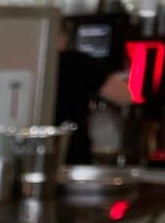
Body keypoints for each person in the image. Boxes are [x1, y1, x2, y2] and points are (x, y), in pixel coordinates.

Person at [55, 29, 133, 164]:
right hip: (72, 152)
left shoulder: (25, 63)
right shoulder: (78, 62)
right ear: (63, 37)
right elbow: (125, 96)